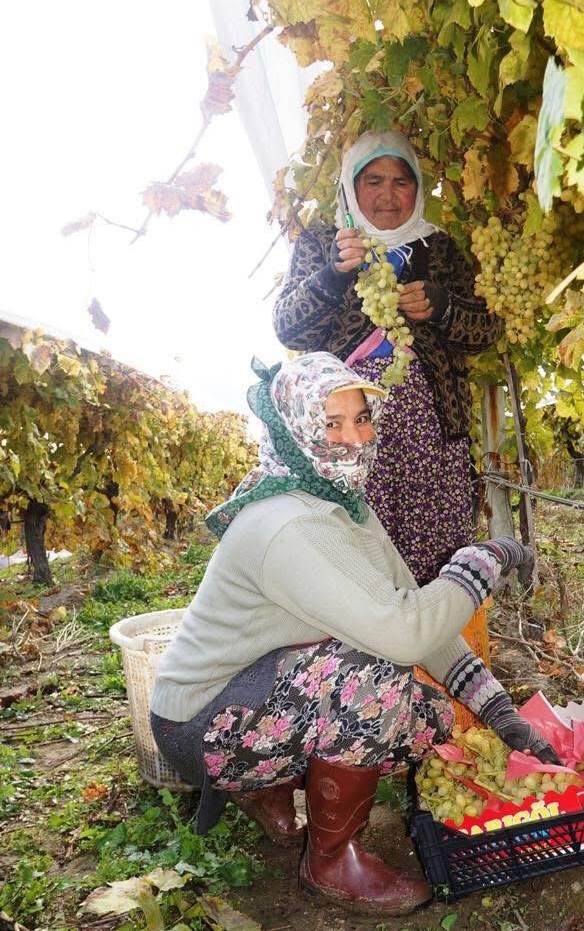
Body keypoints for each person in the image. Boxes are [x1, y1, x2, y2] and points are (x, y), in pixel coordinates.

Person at [150, 352, 557, 916]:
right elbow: (404, 634)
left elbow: (416, 617)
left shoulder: (345, 508)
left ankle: (266, 788)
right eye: (330, 423)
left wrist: (501, 714)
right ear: (291, 430)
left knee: (428, 724)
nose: (351, 438)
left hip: (259, 690)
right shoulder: (286, 523)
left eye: (360, 419)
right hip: (200, 724)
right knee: (375, 671)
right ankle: (331, 859)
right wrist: (482, 560)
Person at [272, 130, 502, 585]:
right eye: (373, 180)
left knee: (436, 552)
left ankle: (435, 648)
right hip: (348, 430)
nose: (388, 195)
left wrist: (445, 307)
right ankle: (368, 653)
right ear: (351, 188)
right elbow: (289, 326)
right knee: (356, 554)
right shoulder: (325, 243)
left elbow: (485, 331)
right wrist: (334, 274)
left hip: (432, 432)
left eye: (402, 181)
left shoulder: (440, 248)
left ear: (417, 188)